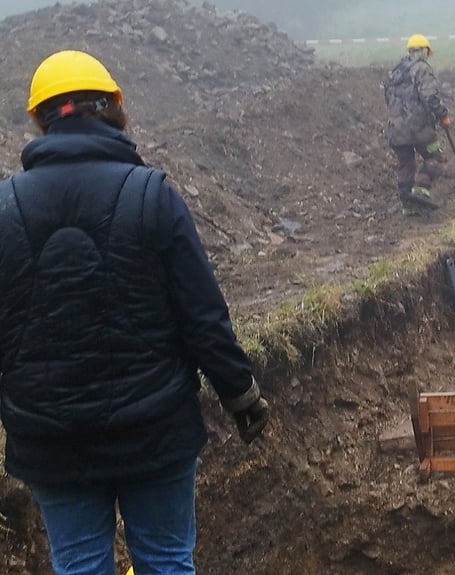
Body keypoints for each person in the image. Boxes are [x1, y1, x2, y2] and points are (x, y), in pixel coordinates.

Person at [0, 50, 270, 575]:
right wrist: (241, 395)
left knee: (78, 565)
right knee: (167, 560)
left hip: (52, 440)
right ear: (113, 112)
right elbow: (203, 315)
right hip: (155, 429)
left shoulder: (5, 209)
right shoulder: (152, 195)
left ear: (41, 119)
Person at [384, 33, 450, 215]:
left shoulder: (395, 72)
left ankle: (407, 204)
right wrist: (443, 115)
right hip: (419, 128)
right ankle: (421, 190)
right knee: (435, 157)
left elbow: (387, 99)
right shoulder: (421, 69)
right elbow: (430, 97)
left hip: (396, 130)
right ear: (423, 51)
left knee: (405, 164)